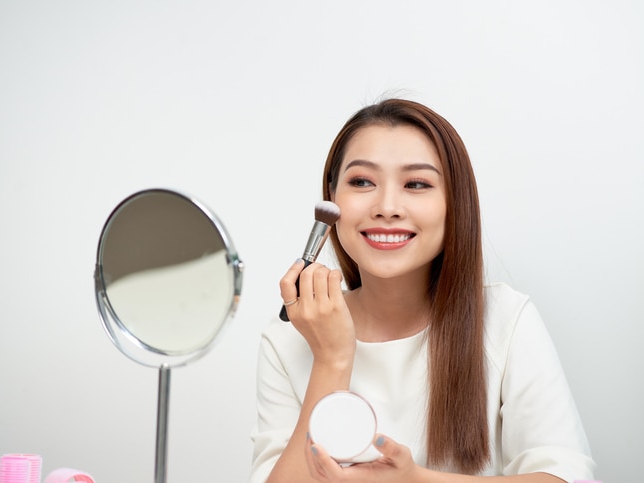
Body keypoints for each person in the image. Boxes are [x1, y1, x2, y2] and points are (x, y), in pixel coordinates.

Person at [249, 98, 595, 482]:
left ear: (453, 204)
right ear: (331, 199)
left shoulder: (505, 320)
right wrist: (332, 359)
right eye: (362, 181)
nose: (387, 206)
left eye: (417, 184)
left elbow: (566, 477)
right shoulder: (289, 340)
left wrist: (413, 479)